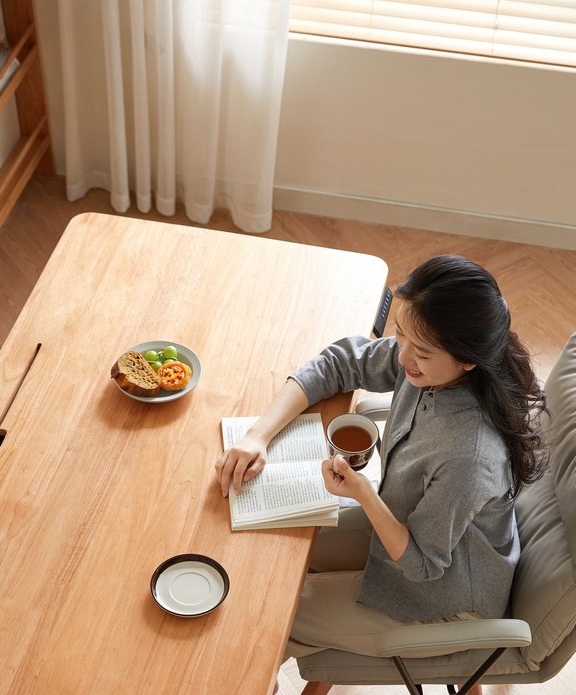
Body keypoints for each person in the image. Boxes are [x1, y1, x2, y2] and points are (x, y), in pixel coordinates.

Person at [215, 254, 548, 659]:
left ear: (467, 358)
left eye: (421, 351)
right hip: (405, 525)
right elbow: (341, 363)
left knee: (273, 611)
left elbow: (423, 564)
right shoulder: (435, 362)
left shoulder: (469, 456)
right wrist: (257, 436)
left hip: (444, 598)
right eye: (401, 334)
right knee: (273, 553)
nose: (403, 356)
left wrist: (363, 495)